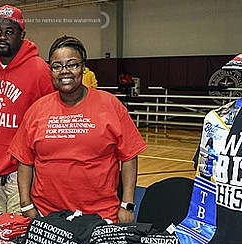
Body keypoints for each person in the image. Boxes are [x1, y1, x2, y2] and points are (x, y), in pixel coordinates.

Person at [8, 36, 147, 223]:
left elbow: (129, 156)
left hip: (101, 216)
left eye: (72, 64)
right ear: (51, 71)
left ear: (83, 68)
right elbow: (24, 161)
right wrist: (26, 205)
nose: (64, 71)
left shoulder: (110, 105)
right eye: (57, 66)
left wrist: (127, 204)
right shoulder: (37, 110)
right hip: (47, 216)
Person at [0, 5, 54, 214]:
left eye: (9, 31)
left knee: (18, 228)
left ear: (22, 35)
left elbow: (51, 119)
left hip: (21, 171)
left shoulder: (39, 70)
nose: (2, 37)